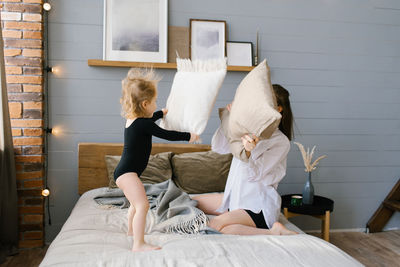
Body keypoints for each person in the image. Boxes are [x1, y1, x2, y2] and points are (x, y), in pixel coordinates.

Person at [193, 84, 297, 235]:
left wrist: (248, 152)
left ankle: (275, 231)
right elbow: (219, 147)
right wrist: (231, 120)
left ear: (279, 109)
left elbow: (255, 175)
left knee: (219, 226)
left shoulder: (281, 142)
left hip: (257, 205)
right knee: (190, 202)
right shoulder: (247, 129)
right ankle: (231, 216)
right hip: (234, 199)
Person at [114, 68, 199, 252]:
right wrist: (188, 136)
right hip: (128, 174)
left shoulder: (134, 120)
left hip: (123, 173)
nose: (155, 104)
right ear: (145, 104)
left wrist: (160, 113)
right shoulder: (144, 125)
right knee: (142, 205)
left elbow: (150, 118)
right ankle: (138, 244)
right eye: (154, 102)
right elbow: (166, 134)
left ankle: (131, 232)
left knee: (135, 206)